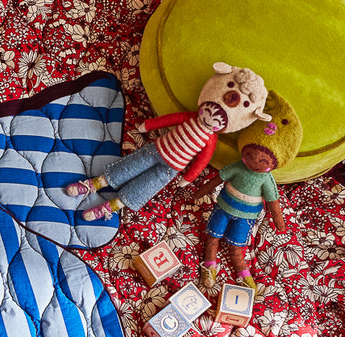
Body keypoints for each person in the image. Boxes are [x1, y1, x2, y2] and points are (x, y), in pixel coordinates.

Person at [64, 63, 270, 221]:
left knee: (144, 187)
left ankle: (110, 207)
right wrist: (149, 125)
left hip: (170, 170)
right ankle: (94, 184)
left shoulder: (210, 139)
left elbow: (202, 160)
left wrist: (188, 177)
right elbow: (170, 119)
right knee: (128, 167)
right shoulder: (190, 118)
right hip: (155, 150)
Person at [187, 90, 303, 289]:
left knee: (236, 247)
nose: (254, 160)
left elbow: (273, 201)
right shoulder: (237, 168)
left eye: (263, 160)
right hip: (223, 208)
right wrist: (199, 193)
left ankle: (243, 273)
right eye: (249, 154)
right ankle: (209, 266)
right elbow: (217, 179)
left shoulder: (266, 180)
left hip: (245, 217)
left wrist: (279, 221)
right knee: (213, 237)